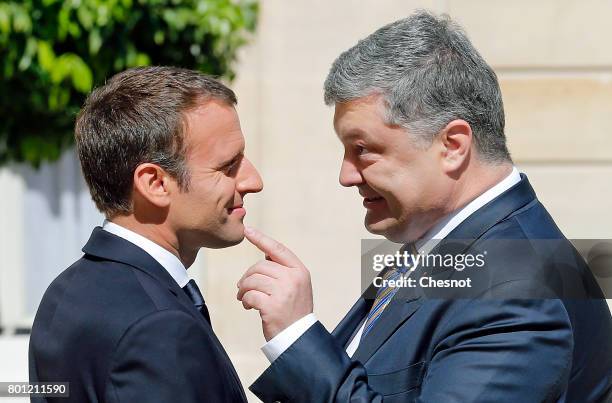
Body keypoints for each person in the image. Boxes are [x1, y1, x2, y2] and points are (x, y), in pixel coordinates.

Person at [237, 10, 612, 402]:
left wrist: (296, 336)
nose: (346, 175)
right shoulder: (455, 247)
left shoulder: (515, 292)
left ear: (452, 145)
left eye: (363, 150)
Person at [29, 66, 263, 402]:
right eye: (229, 166)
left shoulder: (66, 290)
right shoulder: (159, 326)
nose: (253, 181)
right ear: (155, 184)